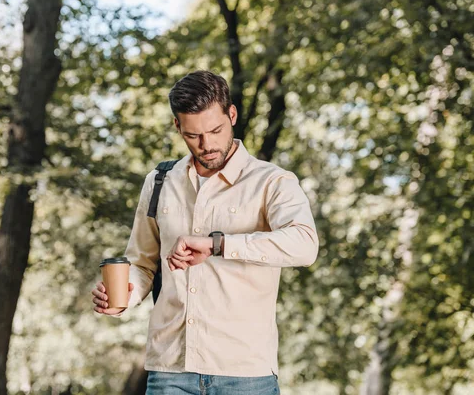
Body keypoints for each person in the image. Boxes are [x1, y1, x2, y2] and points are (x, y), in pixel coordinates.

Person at [92, 70, 319, 394]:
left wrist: (218, 244)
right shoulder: (160, 181)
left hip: (245, 373)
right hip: (169, 369)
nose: (207, 144)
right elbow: (142, 263)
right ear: (178, 127)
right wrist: (123, 298)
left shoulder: (272, 181)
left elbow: (305, 245)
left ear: (232, 115)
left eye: (215, 130)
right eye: (194, 135)